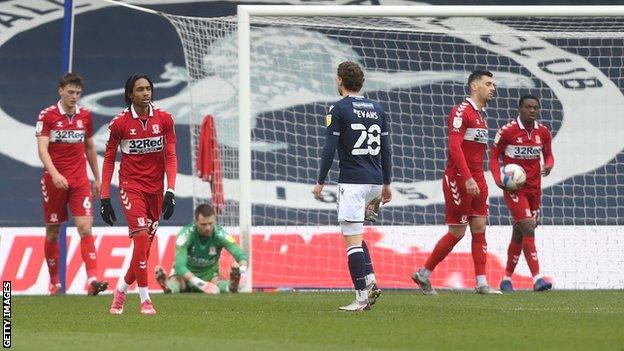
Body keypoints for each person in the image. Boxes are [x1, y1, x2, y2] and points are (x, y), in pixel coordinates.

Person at [412, 70, 501, 295]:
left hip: (477, 177)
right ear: (474, 86)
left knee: (480, 227)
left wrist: (477, 177)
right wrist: (468, 178)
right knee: (458, 231)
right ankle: (424, 274)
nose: (493, 88)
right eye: (488, 84)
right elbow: (455, 147)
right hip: (459, 178)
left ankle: (481, 283)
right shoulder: (461, 111)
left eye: (493, 84)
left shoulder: (481, 116)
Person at [313, 61, 392, 311]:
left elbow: (329, 149)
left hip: (353, 182)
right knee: (356, 235)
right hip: (375, 183)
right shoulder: (378, 110)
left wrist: (320, 181)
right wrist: (388, 183)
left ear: (340, 81)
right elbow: (387, 150)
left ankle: (361, 298)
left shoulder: (338, 109)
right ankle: (370, 282)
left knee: (352, 241)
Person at [100, 74, 177, 315]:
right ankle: (145, 299)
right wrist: (104, 197)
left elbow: (171, 156)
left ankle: (120, 291)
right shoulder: (119, 124)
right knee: (142, 239)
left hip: (156, 190)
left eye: (148, 88)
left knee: (144, 249)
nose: (146, 93)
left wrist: (170, 190)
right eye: (140, 89)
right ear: (130, 94)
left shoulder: (164, 119)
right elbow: (109, 161)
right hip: (131, 186)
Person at [35, 73, 108, 296]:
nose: (74, 96)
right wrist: (54, 173)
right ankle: (55, 282)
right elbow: (42, 149)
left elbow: (89, 147)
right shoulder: (47, 116)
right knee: (53, 232)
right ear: (61, 91)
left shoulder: (85, 116)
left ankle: (93, 280)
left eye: (77, 93)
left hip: (79, 181)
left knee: (85, 227)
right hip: (54, 181)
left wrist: (97, 178)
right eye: (70, 92)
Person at [489, 95, 554, 292]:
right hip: (514, 189)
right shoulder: (507, 131)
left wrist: (549, 165)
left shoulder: (543, 132)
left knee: (519, 233)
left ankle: (506, 279)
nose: (531, 110)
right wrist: (498, 179)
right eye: (528, 107)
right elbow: (493, 156)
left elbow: (549, 155)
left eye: (535, 107)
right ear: (520, 108)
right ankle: (537, 279)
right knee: (527, 227)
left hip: (535, 190)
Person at [154, 204, 248, 295]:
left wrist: (243, 272)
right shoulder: (185, 235)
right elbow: (179, 266)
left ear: (214, 221)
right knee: (177, 281)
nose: (208, 228)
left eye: (210, 224)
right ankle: (168, 286)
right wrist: (200, 284)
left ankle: (231, 286)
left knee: (218, 282)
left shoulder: (219, 234)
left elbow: (240, 254)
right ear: (196, 222)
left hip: (209, 277)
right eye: (203, 224)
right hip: (186, 277)